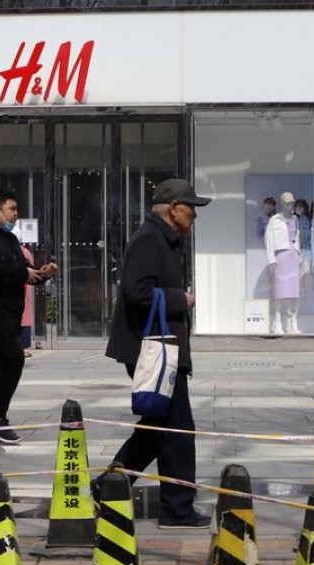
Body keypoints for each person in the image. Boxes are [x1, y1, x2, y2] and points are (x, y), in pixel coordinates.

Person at [102, 178, 212, 529]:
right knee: (178, 429)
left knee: (155, 428)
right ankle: (177, 508)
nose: (195, 214)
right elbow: (136, 292)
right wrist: (181, 299)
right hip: (153, 349)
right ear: (173, 207)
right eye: (191, 207)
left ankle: (108, 489)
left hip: (159, 346)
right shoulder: (149, 239)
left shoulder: (167, 239)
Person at [0, 188, 58, 444]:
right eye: (12, 210)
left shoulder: (8, 239)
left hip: (6, 311)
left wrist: (42, 273)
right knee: (13, 358)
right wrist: (23, 274)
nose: (16, 215)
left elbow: (21, 271)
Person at [12, 224, 35, 358]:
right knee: (23, 319)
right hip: (21, 289)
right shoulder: (25, 252)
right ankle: (22, 348)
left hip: (19, 289)